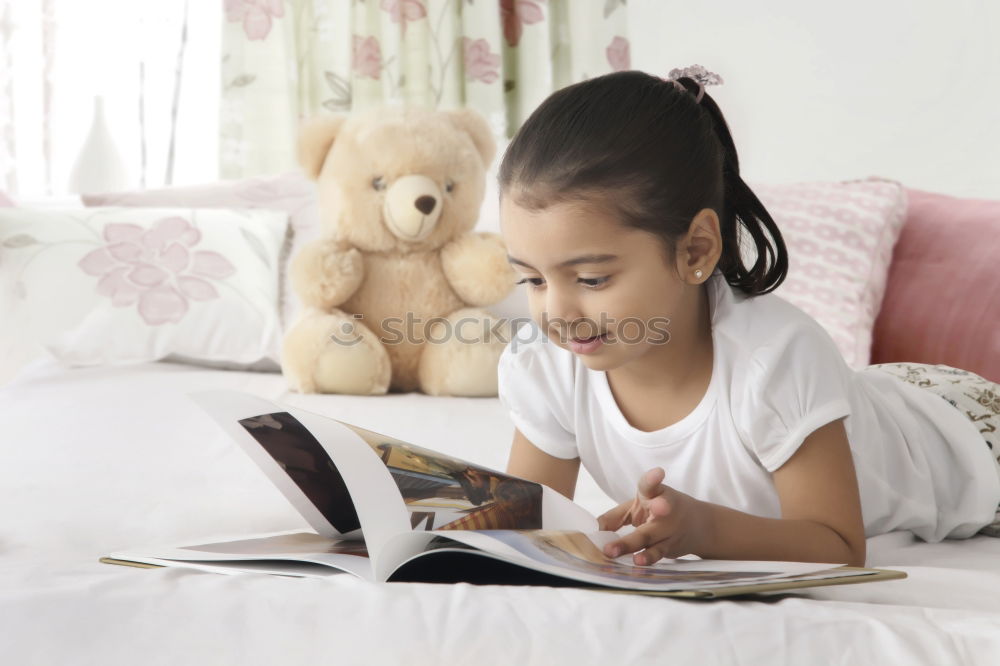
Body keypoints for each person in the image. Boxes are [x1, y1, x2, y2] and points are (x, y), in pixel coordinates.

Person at [495, 66, 1000, 569]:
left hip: (968, 436)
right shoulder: (547, 366)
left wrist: (703, 529)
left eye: (591, 280)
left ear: (695, 250)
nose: (557, 313)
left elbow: (841, 547)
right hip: (870, 396)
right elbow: (528, 526)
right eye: (533, 280)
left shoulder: (776, 361)